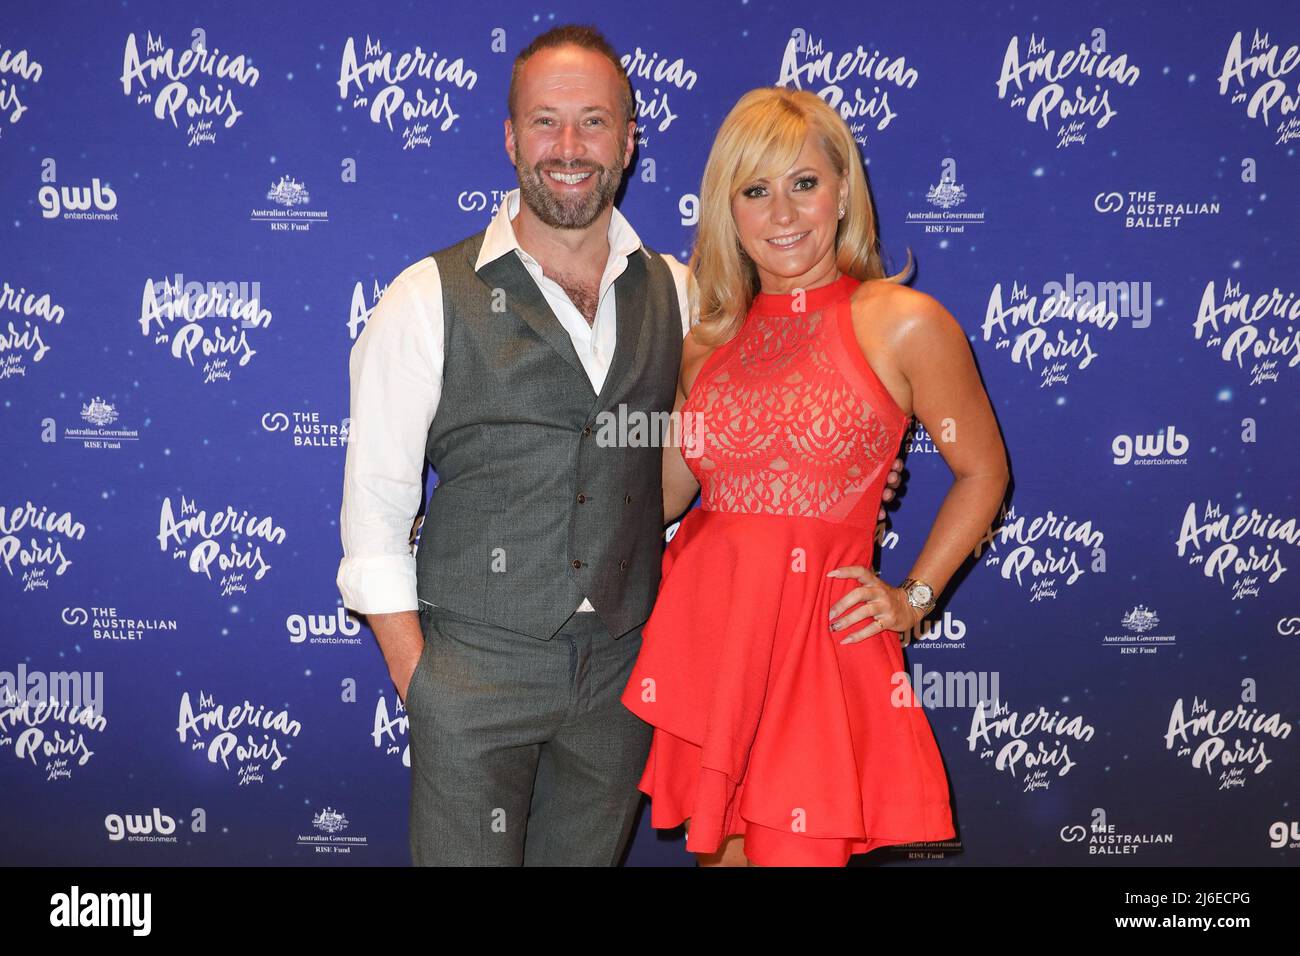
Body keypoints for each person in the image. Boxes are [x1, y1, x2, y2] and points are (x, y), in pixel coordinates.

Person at [621, 86, 1011, 867]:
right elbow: (664, 495)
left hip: (820, 647)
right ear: (729, 213)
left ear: (842, 192)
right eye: (755, 192)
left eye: (803, 183)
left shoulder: (903, 321)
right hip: (711, 639)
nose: (784, 214)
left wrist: (916, 598)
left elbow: (982, 471)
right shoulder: (704, 345)